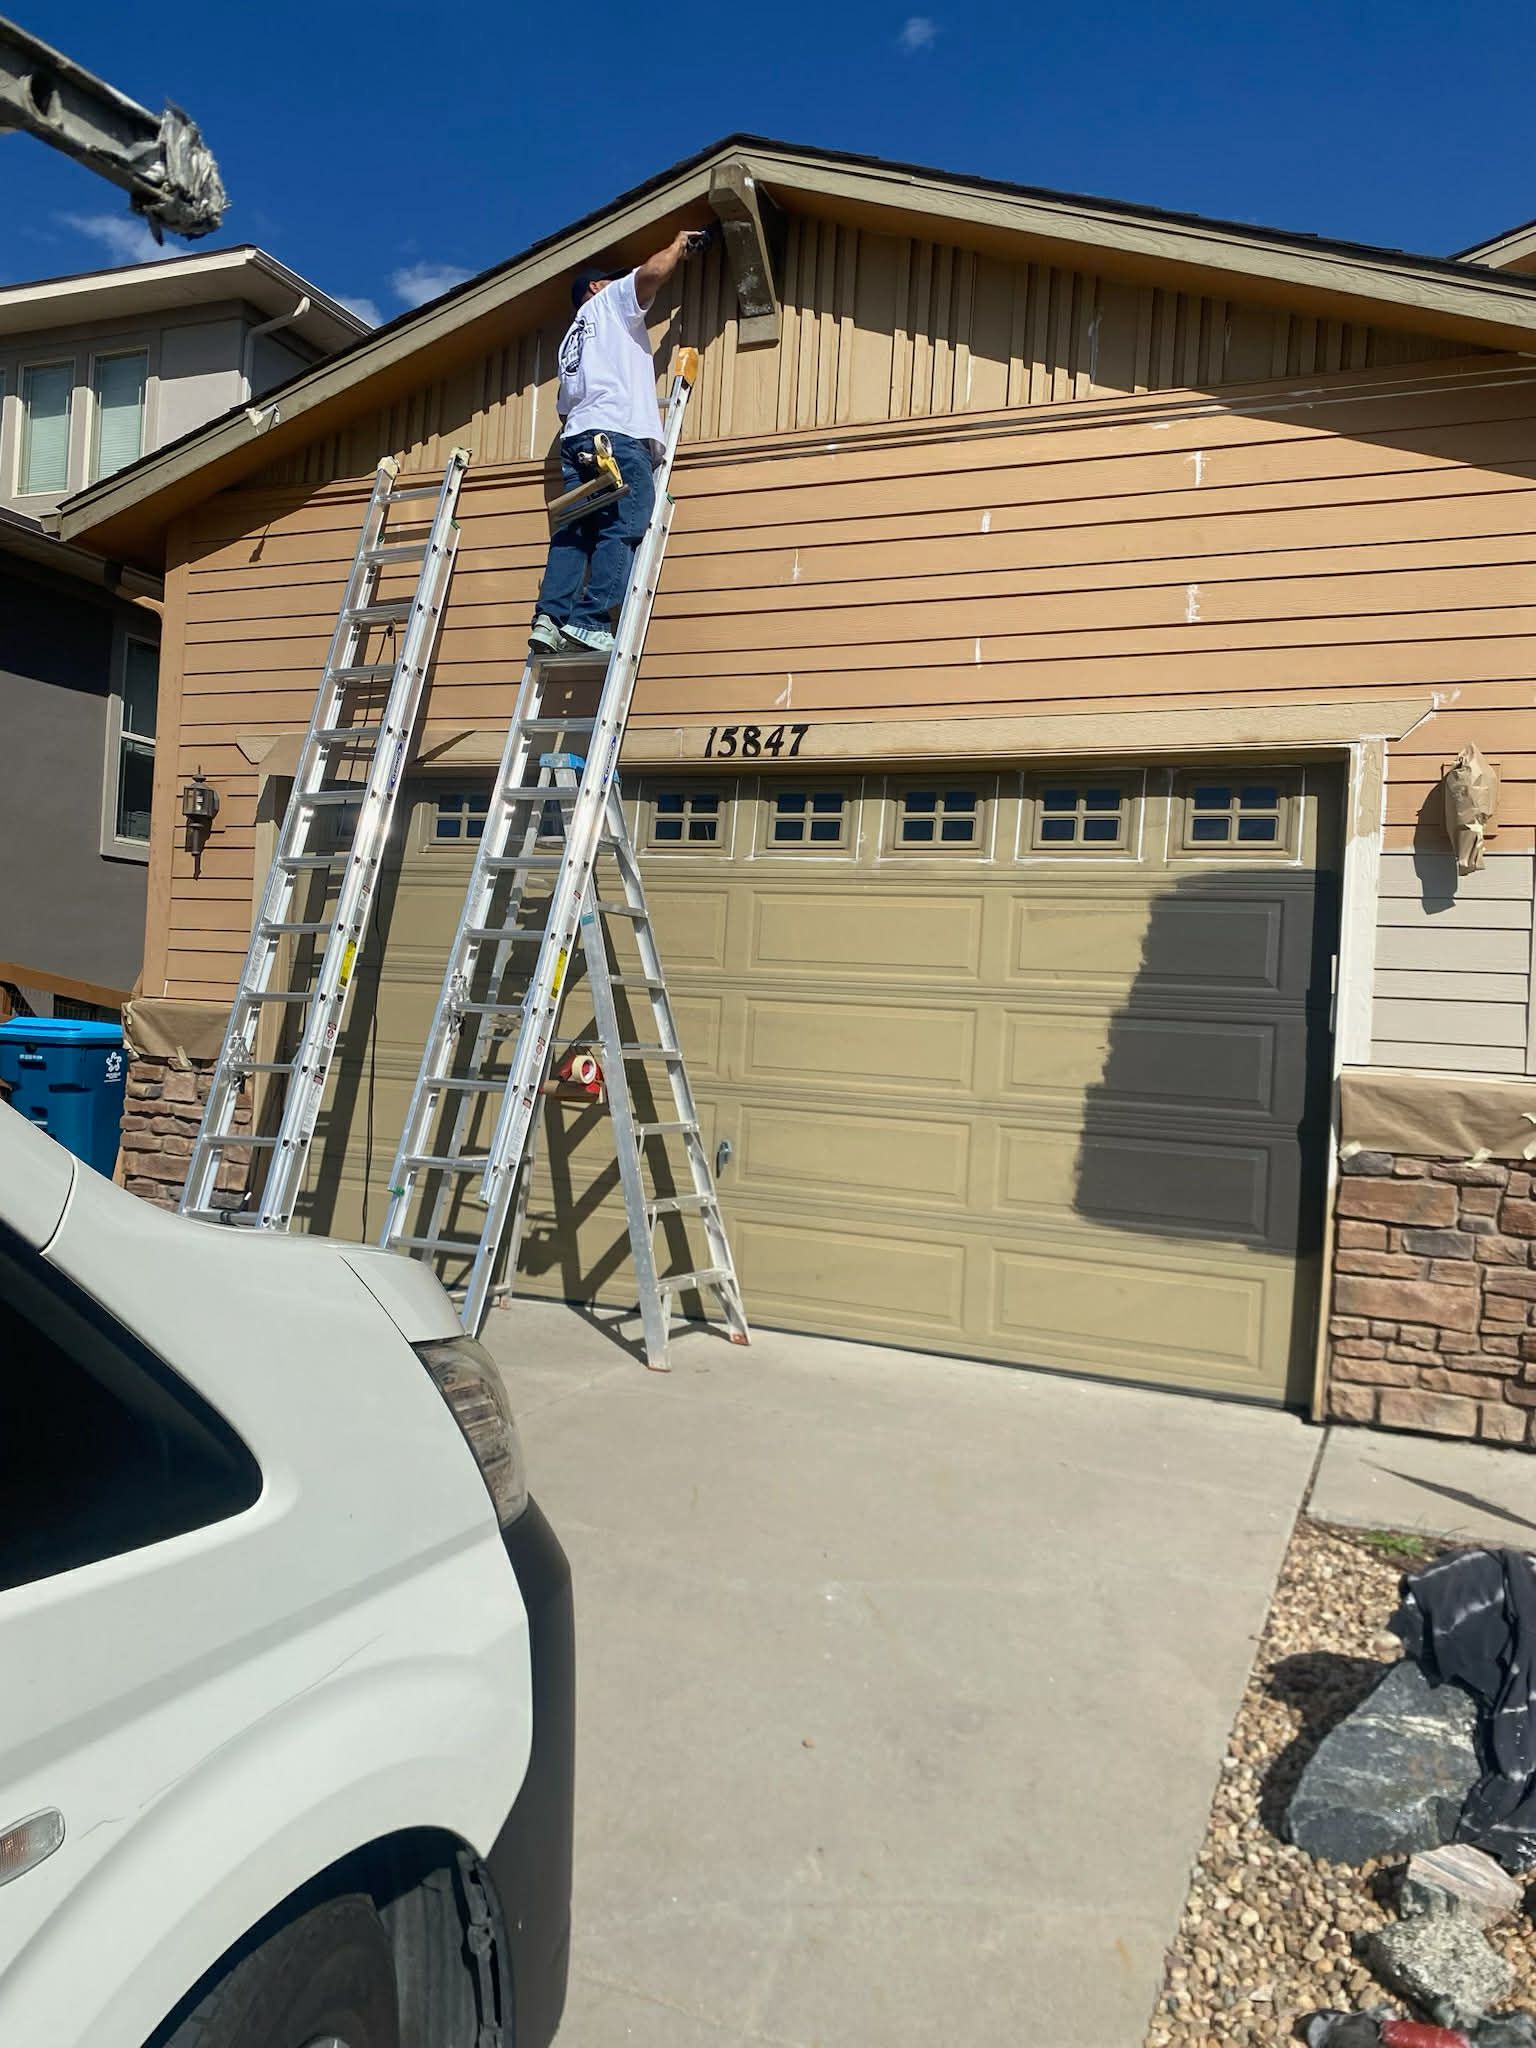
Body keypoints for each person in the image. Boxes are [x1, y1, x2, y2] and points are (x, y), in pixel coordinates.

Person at [529, 228, 709, 657]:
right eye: (610, 278)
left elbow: (563, 407)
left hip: (577, 438)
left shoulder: (570, 340)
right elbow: (650, 274)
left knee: (575, 530)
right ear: (595, 287)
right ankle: (590, 621)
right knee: (624, 522)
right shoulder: (608, 303)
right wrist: (679, 244)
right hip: (617, 435)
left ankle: (550, 620)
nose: (618, 281)